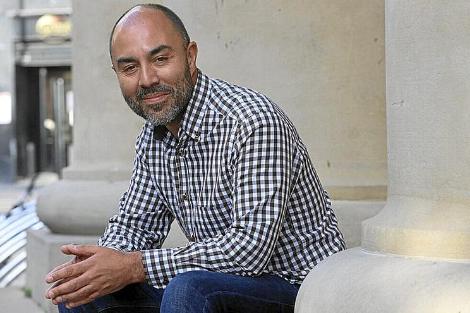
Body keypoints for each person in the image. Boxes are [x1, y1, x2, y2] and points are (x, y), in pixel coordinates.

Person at [45, 3, 345, 313]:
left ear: (190, 57)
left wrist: (134, 266)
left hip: (300, 290)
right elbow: (135, 227)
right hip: (220, 286)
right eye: (130, 67)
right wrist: (98, 265)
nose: (147, 79)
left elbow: (249, 251)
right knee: (83, 293)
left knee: (190, 289)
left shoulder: (252, 122)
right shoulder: (153, 138)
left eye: (160, 59)